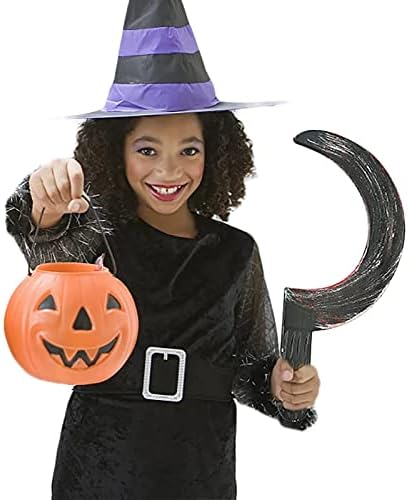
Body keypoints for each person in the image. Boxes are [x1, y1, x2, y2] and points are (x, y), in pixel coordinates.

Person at [5, 110, 320, 499]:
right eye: (147, 150)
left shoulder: (235, 252)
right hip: (100, 463)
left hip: (200, 466)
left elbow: (250, 365)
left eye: (189, 150)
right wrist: (46, 201)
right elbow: (47, 251)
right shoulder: (94, 237)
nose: (169, 170)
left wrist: (281, 387)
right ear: (116, 151)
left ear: (215, 152)